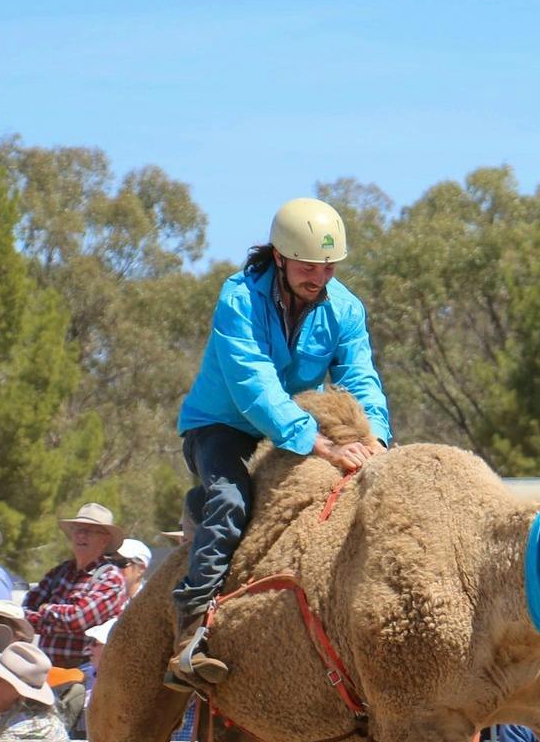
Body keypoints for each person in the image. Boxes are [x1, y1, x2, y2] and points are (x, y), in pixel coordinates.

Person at [168, 197, 392, 689]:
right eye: (310, 266)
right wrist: (322, 445)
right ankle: (189, 634)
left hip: (293, 428)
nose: (320, 277)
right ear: (280, 256)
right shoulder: (238, 298)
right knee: (230, 499)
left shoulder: (345, 309)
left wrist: (375, 440)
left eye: (329, 266)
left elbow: (361, 379)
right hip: (223, 427)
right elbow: (255, 386)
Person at [25, 502, 130, 670]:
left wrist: (45, 610)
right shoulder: (59, 572)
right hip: (46, 672)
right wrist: (59, 621)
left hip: (84, 676)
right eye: (77, 529)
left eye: (88, 531)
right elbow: (25, 610)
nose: (81, 535)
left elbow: (77, 619)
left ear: (105, 539)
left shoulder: (111, 579)